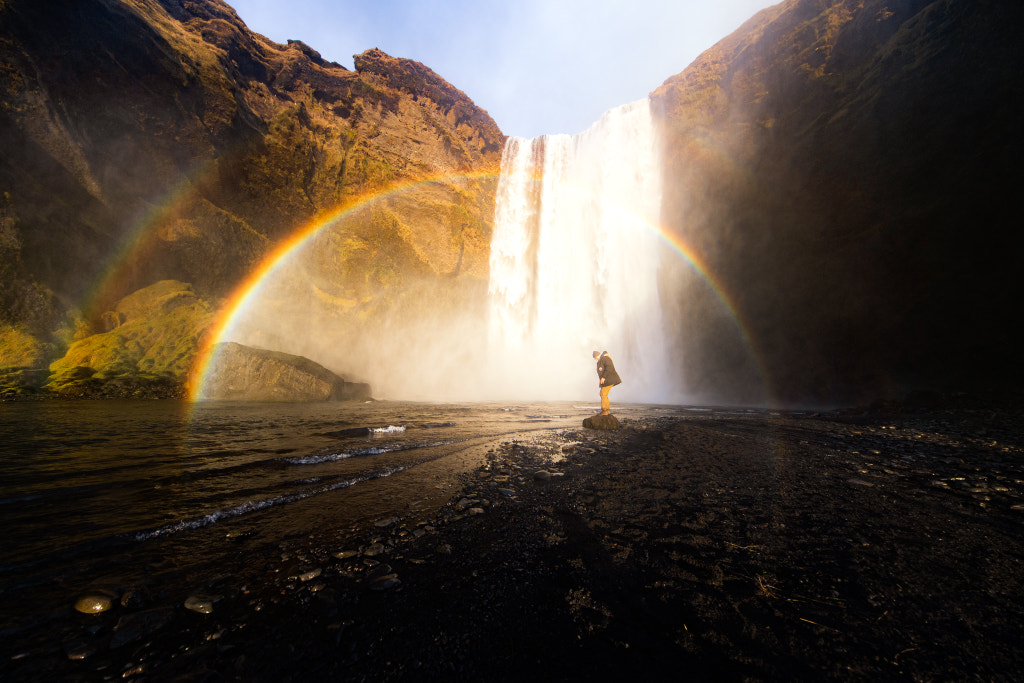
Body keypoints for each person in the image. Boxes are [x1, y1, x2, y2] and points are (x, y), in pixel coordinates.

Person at [593, 350, 622, 415]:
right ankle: (606, 410)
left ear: (597, 355)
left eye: (595, 358)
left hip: (609, 379)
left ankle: (605, 410)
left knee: (603, 393)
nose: (596, 359)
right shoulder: (603, 359)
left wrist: (603, 377)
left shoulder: (605, 358)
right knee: (602, 393)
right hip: (607, 380)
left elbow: (609, 368)